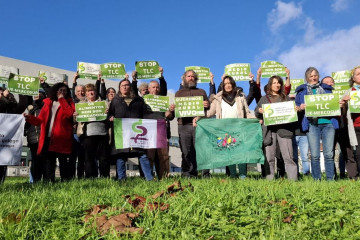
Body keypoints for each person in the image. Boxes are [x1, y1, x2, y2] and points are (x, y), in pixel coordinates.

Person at [24, 83, 75, 182]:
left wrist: (62, 100)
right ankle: (49, 181)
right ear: (55, 91)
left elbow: (69, 114)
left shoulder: (69, 102)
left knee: (63, 161)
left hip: (62, 137)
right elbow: (39, 120)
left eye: (65, 90)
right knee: (49, 161)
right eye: (60, 90)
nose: (62, 92)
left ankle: (65, 181)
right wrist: (29, 118)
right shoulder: (48, 103)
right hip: (48, 137)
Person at [295, 67, 339, 180]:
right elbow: (296, 107)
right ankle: (316, 179)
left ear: (318, 76)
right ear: (307, 78)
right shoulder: (301, 91)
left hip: (328, 123)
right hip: (312, 124)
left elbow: (333, 104)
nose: (313, 78)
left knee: (329, 154)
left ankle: (330, 179)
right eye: (311, 76)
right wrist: (300, 107)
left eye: (315, 75)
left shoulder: (327, 89)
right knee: (315, 155)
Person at [255, 72, 298, 180]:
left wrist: (295, 110)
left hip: (284, 130)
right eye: (274, 83)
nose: (277, 85)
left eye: (279, 83)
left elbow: (292, 112)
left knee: (288, 157)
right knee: (269, 158)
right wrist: (259, 110)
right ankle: (270, 180)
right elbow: (256, 111)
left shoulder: (286, 98)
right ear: (270, 85)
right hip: (269, 132)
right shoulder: (264, 99)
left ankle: (293, 180)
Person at [108, 79, 153, 181]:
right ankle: (121, 180)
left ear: (130, 87)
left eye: (126, 85)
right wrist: (110, 118)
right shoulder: (115, 101)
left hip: (137, 132)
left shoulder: (139, 100)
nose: (124, 87)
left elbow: (145, 115)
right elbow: (110, 114)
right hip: (121, 133)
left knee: (142, 154)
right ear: (119, 88)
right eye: (122, 85)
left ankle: (149, 179)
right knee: (120, 156)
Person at [207, 74, 250, 178]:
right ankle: (233, 175)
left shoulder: (240, 97)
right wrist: (198, 117)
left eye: (229, 83)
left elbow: (247, 112)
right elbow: (210, 113)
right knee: (229, 153)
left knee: (240, 152)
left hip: (239, 128)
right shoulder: (218, 99)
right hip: (225, 130)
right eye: (225, 84)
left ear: (233, 84)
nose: (228, 85)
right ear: (222, 85)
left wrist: (256, 119)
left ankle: (243, 176)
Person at [173, 69, 210, 177]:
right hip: (183, 125)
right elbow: (175, 113)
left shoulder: (201, 91)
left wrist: (207, 104)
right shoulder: (178, 93)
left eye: (193, 76)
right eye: (188, 76)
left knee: (202, 150)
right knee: (186, 151)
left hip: (199, 125)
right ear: (184, 78)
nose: (191, 78)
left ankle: (205, 174)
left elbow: (209, 110)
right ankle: (187, 174)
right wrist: (173, 109)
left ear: (196, 79)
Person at [75, 83, 110, 178]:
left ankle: (105, 177)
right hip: (87, 135)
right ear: (85, 94)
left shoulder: (104, 103)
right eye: (88, 91)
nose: (91, 92)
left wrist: (108, 113)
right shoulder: (80, 105)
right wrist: (75, 116)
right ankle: (90, 178)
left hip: (102, 133)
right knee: (89, 158)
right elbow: (75, 121)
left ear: (95, 92)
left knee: (103, 158)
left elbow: (110, 118)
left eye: (92, 90)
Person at [144, 77, 175, 179]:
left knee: (163, 156)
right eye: (153, 87)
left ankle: (164, 178)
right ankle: (148, 178)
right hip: (148, 131)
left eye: (157, 87)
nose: (155, 89)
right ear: (149, 89)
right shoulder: (144, 101)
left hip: (162, 130)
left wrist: (170, 112)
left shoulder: (163, 101)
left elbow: (170, 117)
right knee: (149, 156)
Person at [0, 87, 30, 183]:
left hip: (4, 141)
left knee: (2, 163)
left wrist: (21, 91)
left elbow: (21, 106)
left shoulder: (10, 105)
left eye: (2, 93)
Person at [340, 66, 360, 179]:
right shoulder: (348, 92)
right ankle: (356, 176)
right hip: (355, 126)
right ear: (353, 78)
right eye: (358, 74)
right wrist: (343, 104)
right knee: (357, 153)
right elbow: (342, 111)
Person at [24, 89, 46, 182]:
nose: (38, 97)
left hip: (44, 137)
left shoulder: (45, 107)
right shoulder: (30, 107)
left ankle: (46, 181)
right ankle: (34, 181)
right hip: (32, 138)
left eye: (40, 95)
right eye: (36, 95)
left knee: (44, 160)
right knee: (35, 161)